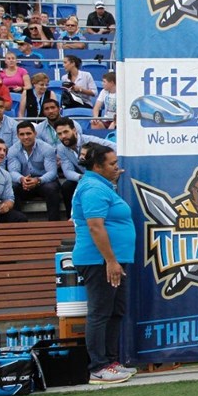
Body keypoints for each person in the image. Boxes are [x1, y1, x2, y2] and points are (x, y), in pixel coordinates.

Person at [72, 143, 137, 383]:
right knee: (100, 312)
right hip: (99, 261)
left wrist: (111, 180)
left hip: (113, 260)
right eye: (112, 164)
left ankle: (111, 361)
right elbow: (95, 226)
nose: (117, 167)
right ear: (97, 166)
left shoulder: (101, 185)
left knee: (115, 310)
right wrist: (110, 260)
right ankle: (98, 367)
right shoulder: (92, 188)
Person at [56, 118, 116, 218]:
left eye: (66, 132)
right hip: (83, 177)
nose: (63, 136)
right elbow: (68, 171)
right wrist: (82, 177)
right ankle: (71, 221)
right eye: (59, 134)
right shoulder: (61, 148)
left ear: (74, 130)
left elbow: (116, 148)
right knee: (67, 186)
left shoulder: (91, 141)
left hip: (101, 177)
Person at [7, 121, 61, 221]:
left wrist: (38, 180)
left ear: (35, 133)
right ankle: (18, 224)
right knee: (13, 188)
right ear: (17, 136)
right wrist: (22, 179)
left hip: (44, 181)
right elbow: (13, 171)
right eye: (22, 134)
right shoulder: (12, 150)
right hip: (24, 182)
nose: (26, 137)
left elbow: (52, 172)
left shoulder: (47, 148)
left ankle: (54, 223)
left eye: (28, 133)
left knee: (51, 188)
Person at [0, 137, 27, 222]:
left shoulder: (5, 175)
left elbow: (9, 198)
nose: (2, 153)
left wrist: (6, 206)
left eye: (4, 150)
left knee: (20, 218)